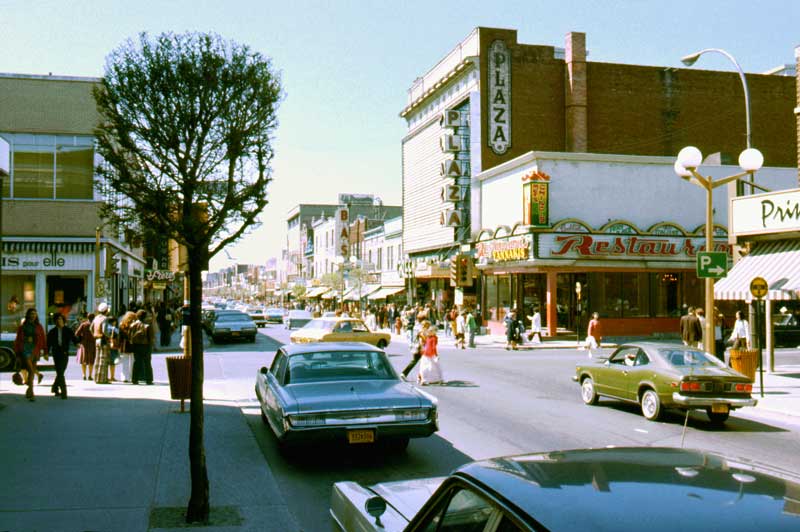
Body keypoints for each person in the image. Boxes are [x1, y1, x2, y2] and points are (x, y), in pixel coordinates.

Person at [14, 308, 47, 401]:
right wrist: (17, 353)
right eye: (31, 313)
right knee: (31, 370)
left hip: (35, 349)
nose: (33, 315)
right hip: (25, 349)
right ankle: (31, 392)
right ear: (28, 315)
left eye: (35, 314)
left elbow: (43, 338)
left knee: (32, 370)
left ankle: (30, 390)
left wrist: (45, 351)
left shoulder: (39, 326)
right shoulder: (22, 326)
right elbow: (17, 340)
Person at [47, 313, 77, 399]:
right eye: (57, 319)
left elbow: (73, 338)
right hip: (56, 353)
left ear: (63, 320)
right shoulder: (52, 331)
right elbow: (48, 343)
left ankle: (55, 387)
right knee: (60, 372)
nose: (58, 321)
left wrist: (77, 343)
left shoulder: (67, 330)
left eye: (60, 319)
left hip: (64, 353)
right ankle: (64, 392)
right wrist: (46, 352)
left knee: (61, 372)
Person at [130, 309, 155, 385]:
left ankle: (134, 379)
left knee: (136, 362)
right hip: (146, 346)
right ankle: (149, 380)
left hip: (136, 345)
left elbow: (130, 336)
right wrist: (151, 345)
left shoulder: (133, 325)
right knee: (147, 363)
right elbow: (151, 338)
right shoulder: (147, 326)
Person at [92, 303, 111, 384]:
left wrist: (94, 335)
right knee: (103, 360)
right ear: (106, 311)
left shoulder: (96, 318)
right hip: (103, 340)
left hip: (97, 339)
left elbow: (91, 328)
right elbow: (105, 331)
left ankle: (96, 377)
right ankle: (103, 379)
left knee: (97, 359)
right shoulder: (105, 319)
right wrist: (109, 336)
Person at [75, 313, 96, 380]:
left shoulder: (83, 324)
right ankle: (90, 375)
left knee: (83, 360)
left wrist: (81, 337)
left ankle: (84, 375)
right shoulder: (94, 324)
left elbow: (76, 333)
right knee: (91, 361)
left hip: (84, 344)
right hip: (92, 343)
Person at [118, 311, 137, 382]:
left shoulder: (122, 324)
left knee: (125, 362)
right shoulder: (134, 325)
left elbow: (119, 337)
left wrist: (119, 346)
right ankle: (132, 377)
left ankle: (125, 377)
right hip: (132, 345)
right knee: (132, 362)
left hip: (124, 345)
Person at [105, 316, 121, 382]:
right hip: (113, 346)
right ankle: (112, 376)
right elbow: (119, 334)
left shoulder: (106, 327)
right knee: (112, 363)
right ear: (113, 322)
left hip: (106, 345)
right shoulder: (114, 328)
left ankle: (106, 376)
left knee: (106, 362)